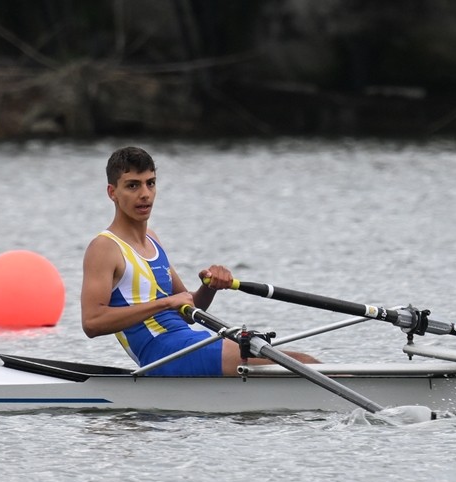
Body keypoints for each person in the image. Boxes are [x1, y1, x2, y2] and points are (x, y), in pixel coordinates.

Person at [81, 146, 317, 375]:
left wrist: (209, 287)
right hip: (163, 353)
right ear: (112, 192)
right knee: (302, 364)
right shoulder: (104, 248)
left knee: (298, 363)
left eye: (150, 183)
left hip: (190, 343)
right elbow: (92, 323)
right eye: (133, 186)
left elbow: (189, 310)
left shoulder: (152, 240)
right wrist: (165, 303)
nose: (145, 194)